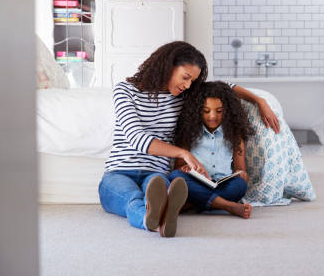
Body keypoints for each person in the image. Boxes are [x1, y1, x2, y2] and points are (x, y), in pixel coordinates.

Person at [98, 41, 279, 237]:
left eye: (192, 81)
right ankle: (153, 220)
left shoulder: (182, 95)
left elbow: (223, 88)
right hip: (120, 171)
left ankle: (159, 214)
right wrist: (183, 153)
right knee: (133, 198)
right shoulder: (125, 90)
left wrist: (259, 100)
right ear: (168, 66)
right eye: (185, 77)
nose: (187, 85)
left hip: (156, 174)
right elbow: (137, 138)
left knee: (160, 191)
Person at [169, 81, 255, 218]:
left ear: (228, 111)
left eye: (219, 111)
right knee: (175, 177)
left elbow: (241, 170)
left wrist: (242, 174)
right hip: (196, 182)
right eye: (206, 111)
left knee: (240, 186)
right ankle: (228, 206)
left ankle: (191, 203)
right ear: (198, 110)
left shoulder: (235, 134)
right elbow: (179, 168)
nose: (213, 116)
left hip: (222, 184)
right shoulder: (188, 132)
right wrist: (185, 168)